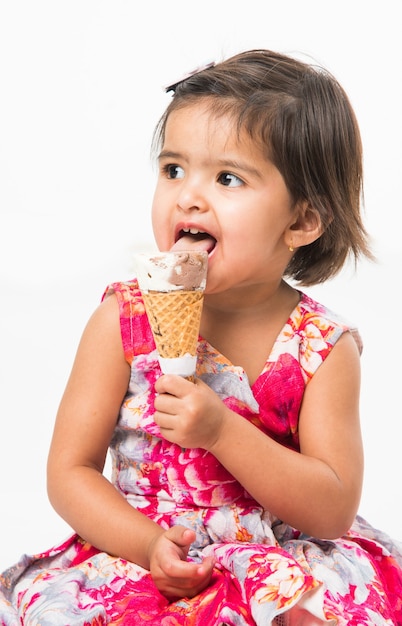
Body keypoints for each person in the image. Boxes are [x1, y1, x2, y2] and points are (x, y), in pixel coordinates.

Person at [1, 48, 401, 625]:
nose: (188, 196)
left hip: (276, 555)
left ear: (301, 221)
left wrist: (222, 431)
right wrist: (146, 547)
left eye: (229, 178)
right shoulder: (123, 319)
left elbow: (332, 509)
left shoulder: (321, 348)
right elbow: (70, 471)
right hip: (142, 546)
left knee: (309, 612)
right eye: (173, 170)